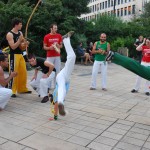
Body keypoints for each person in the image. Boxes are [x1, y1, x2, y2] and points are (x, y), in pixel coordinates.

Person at [49, 31, 75, 120]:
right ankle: (66, 39)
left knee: (61, 90)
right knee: (72, 57)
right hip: (65, 77)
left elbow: (55, 104)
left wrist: (55, 117)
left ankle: (65, 39)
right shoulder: (57, 94)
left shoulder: (56, 94)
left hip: (62, 77)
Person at [6, 17, 31, 98]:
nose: (21, 25)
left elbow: (21, 47)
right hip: (13, 55)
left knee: (23, 71)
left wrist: (25, 44)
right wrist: (20, 40)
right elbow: (13, 47)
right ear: (16, 25)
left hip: (20, 55)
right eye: (20, 24)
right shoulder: (9, 34)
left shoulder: (20, 33)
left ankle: (22, 88)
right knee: (13, 72)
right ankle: (12, 90)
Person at [43, 23, 63, 88]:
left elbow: (61, 46)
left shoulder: (59, 36)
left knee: (57, 71)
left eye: (56, 28)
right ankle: (48, 86)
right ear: (51, 28)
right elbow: (44, 47)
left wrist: (57, 45)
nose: (56, 29)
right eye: (55, 28)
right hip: (49, 56)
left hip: (57, 56)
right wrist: (49, 48)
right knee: (49, 70)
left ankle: (56, 85)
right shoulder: (46, 36)